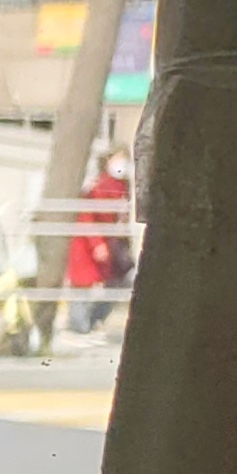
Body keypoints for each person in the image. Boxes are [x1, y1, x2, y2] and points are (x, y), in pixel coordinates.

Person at [73, 146, 134, 341]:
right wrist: (97, 243)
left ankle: (92, 320)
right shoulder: (98, 186)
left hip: (113, 242)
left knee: (120, 281)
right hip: (92, 243)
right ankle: (80, 326)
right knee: (84, 284)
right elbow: (87, 216)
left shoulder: (123, 187)